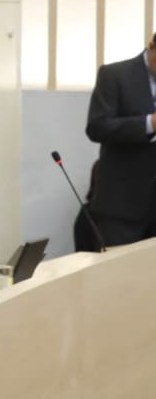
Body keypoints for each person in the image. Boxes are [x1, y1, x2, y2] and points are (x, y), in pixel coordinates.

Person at [83, 33, 156, 248]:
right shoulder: (115, 75)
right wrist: (149, 123)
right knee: (117, 279)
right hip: (121, 206)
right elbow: (97, 126)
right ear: (151, 47)